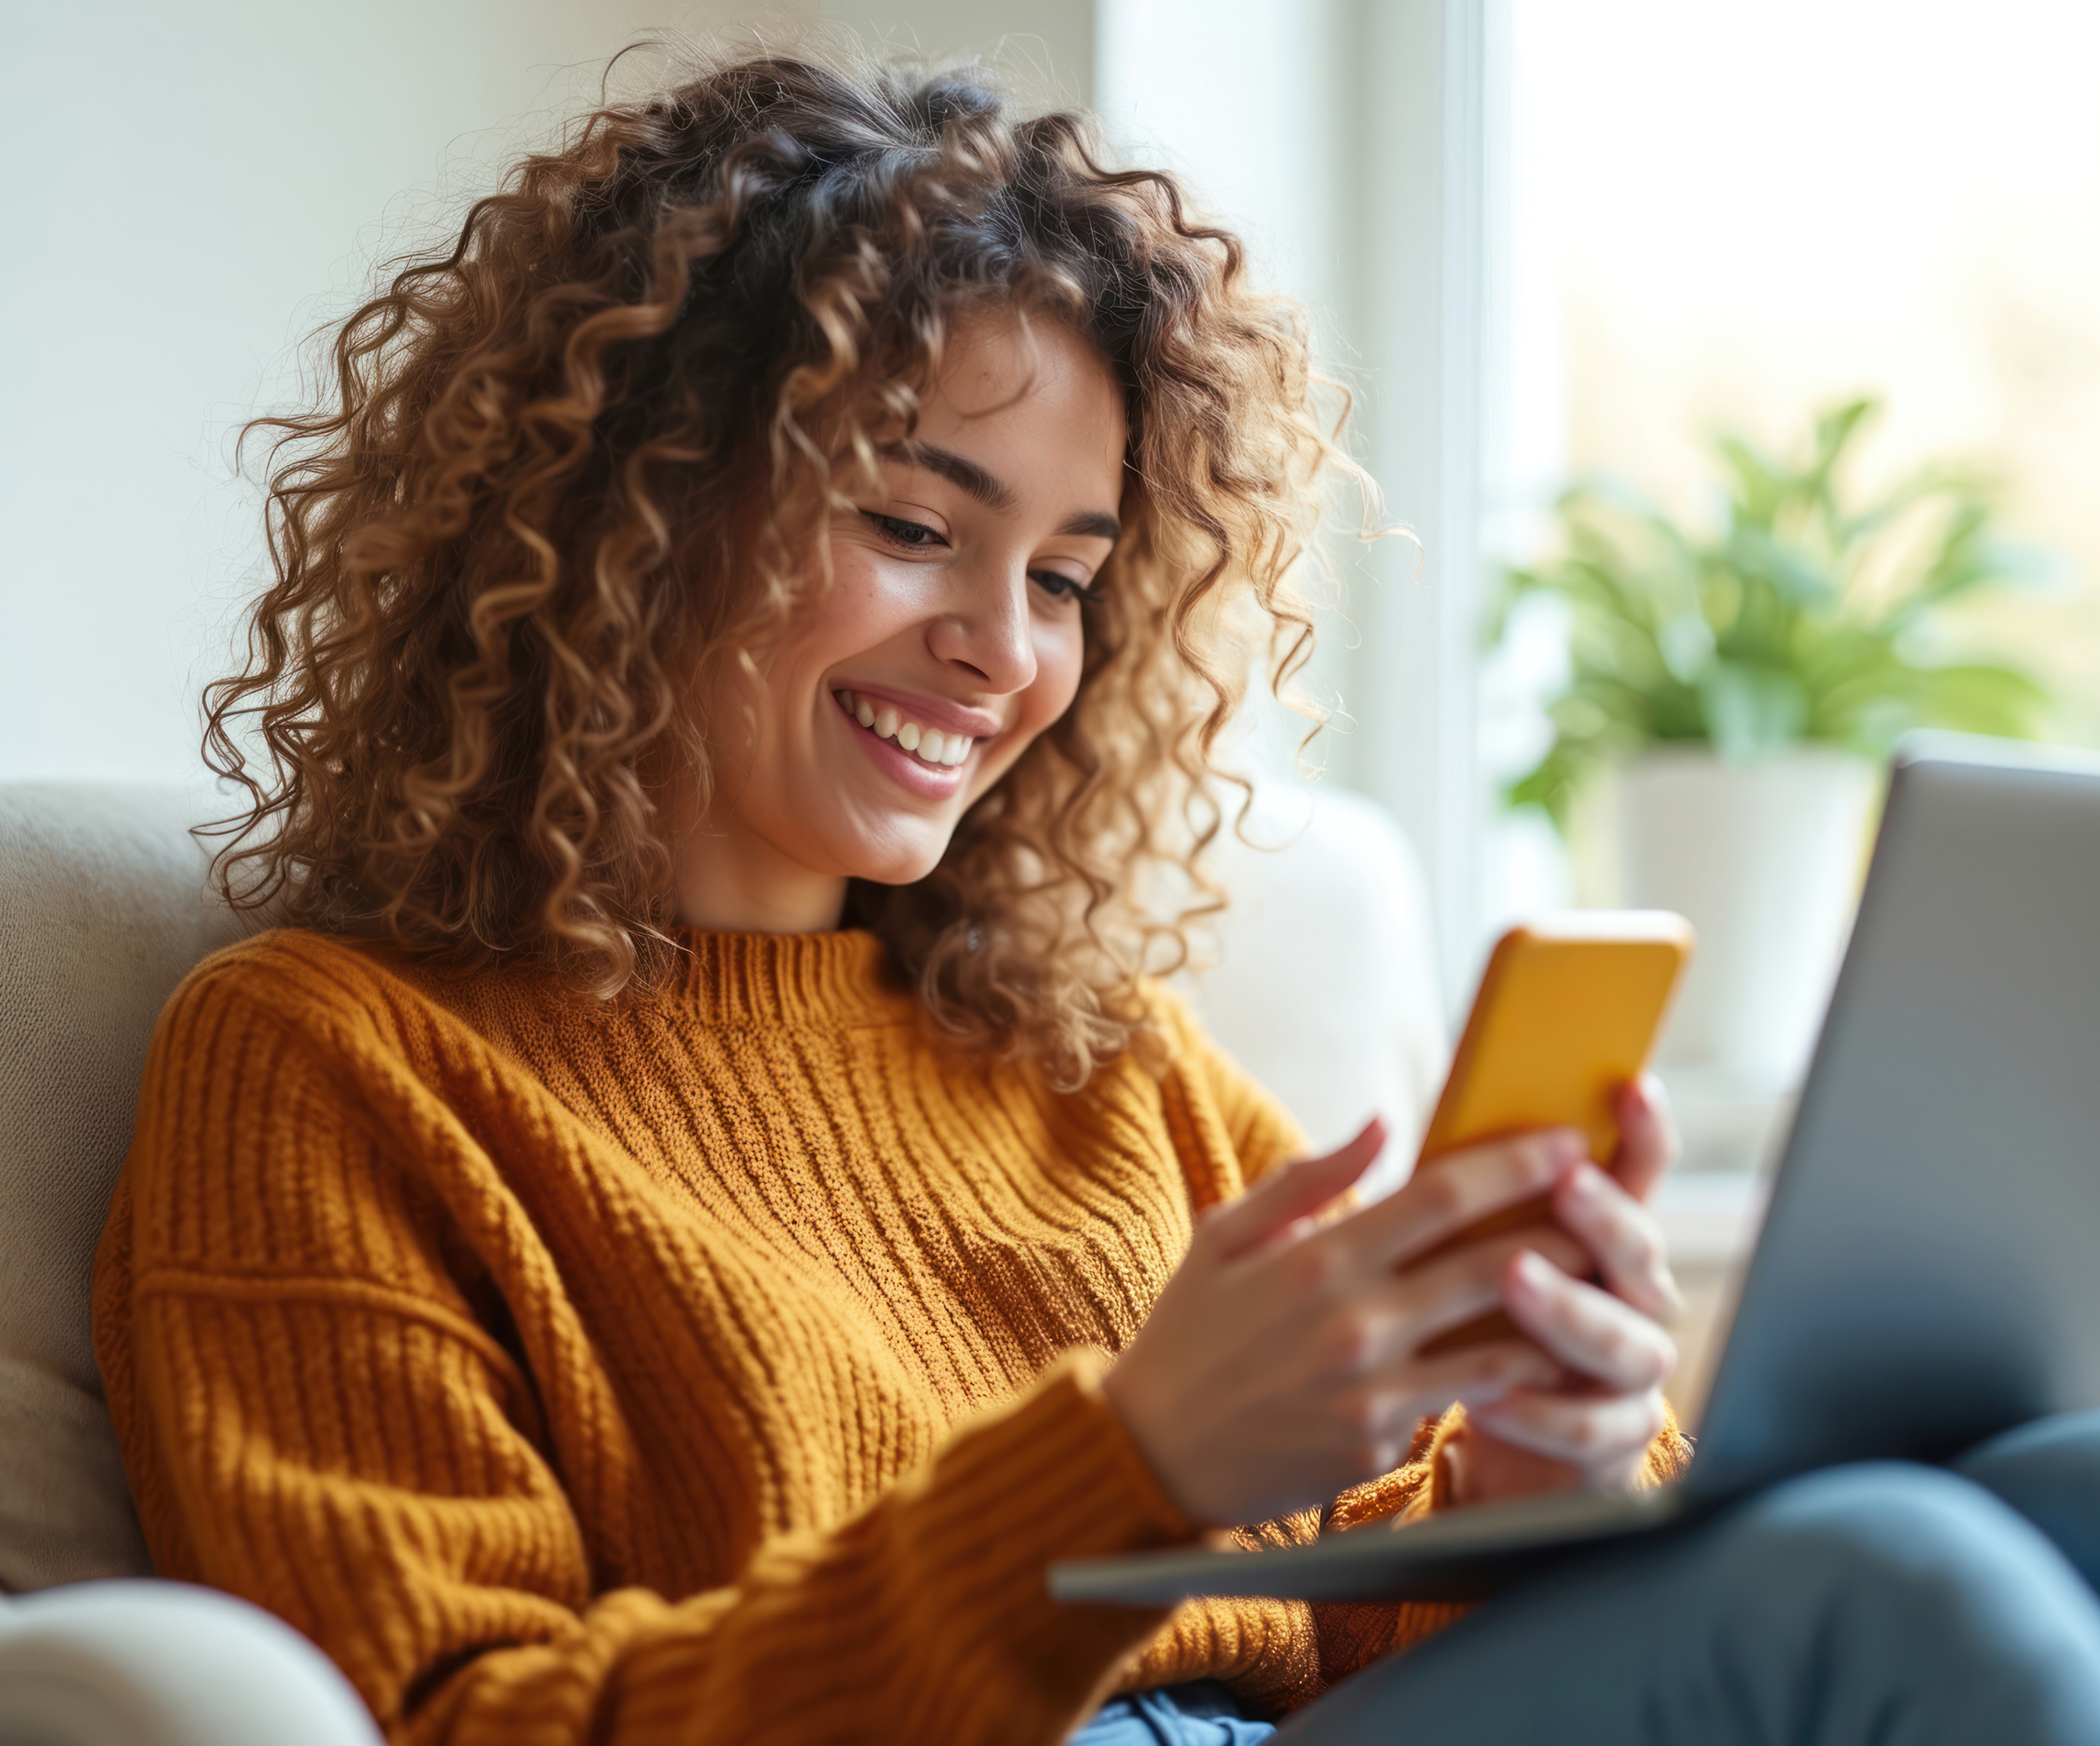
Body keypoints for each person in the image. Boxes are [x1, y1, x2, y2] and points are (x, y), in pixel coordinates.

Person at [91, 45, 2100, 1746]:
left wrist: (1534, 1480)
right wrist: (1129, 1470)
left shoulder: (1088, 1057)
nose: (1000, 650)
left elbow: (1359, 1634)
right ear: (626, 509)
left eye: (1064, 575)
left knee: (2064, 1493)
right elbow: (466, 1720)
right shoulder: (331, 1069)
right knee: (1891, 1579)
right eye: (911, 525)